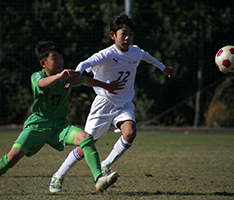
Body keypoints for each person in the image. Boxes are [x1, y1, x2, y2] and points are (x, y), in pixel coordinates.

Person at [0, 41, 124, 196]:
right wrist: (60, 77)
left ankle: (99, 178)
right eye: (54, 58)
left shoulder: (67, 76)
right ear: (43, 63)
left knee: (86, 138)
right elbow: (42, 84)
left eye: (60, 58)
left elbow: (85, 80)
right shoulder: (37, 76)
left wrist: (107, 86)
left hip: (60, 126)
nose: (59, 62)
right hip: (37, 126)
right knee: (12, 157)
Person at [49, 12, 174, 193]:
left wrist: (164, 68)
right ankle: (58, 176)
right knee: (85, 145)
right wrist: (77, 73)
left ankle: (105, 164)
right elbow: (85, 63)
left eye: (130, 34)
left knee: (130, 133)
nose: (127, 38)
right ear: (113, 35)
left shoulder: (135, 51)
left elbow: (147, 56)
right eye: (123, 34)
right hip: (103, 104)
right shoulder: (106, 54)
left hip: (123, 104)